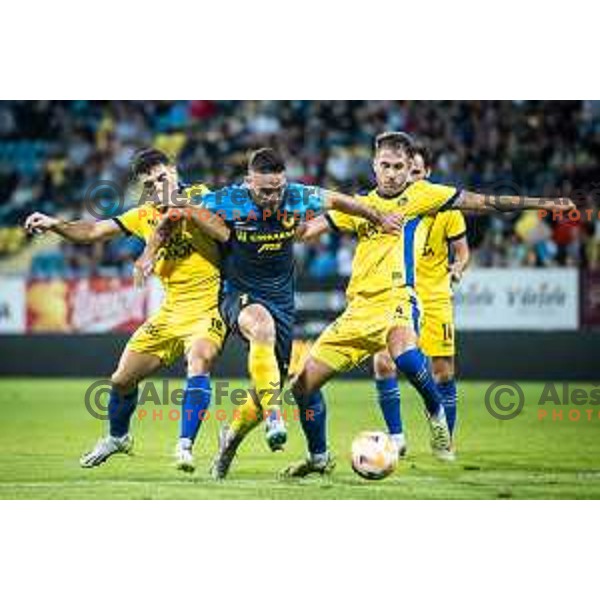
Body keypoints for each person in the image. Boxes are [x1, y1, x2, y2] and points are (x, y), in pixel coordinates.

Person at [284, 131, 575, 477]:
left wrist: (544, 203)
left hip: (399, 298)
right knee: (302, 386)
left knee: (405, 354)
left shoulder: (423, 196)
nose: (391, 173)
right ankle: (318, 457)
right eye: (385, 165)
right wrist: (287, 221)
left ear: (410, 169)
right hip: (357, 310)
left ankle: (435, 413)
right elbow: (307, 231)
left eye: (399, 166)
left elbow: (485, 202)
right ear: (374, 166)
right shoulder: (358, 204)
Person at [145, 147, 403, 479]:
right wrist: (152, 231)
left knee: (270, 383)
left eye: (278, 188)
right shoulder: (230, 201)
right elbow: (177, 206)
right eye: (265, 190)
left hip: (282, 301)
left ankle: (231, 439)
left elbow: (340, 201)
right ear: (248, 182)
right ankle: (275, 415)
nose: (273, 196)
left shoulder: (296, 196)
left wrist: (377, 217)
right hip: (237, 294)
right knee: (261, 326)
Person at [24, 148, 229, 472]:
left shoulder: (200, 196)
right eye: (150, 184)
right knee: (120, 381)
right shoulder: (142, 215)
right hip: (169, 314)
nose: (158, 186)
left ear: (175, 172)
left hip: (208, 310)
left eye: (162, 177)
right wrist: (54, 224)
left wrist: (173, 214)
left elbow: (218, 226)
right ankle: (118, 437)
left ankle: (184, 446)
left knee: (199, 360)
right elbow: (92, 231)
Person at [371, 141, 470, 456]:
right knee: (384, 362)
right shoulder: (389, 206)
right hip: (397, 294)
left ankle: (444, 441)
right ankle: (396, 438)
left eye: (415, 171)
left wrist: (458, 266)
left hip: (436, 295)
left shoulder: (444, 208)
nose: (409, 177)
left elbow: (463, 251)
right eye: (404, 170)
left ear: (427, 172)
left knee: (443, 370)